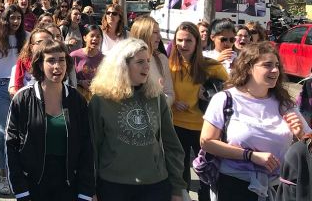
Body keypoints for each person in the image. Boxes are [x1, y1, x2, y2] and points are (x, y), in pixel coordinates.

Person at [200, 42, 309, 201]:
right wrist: (250, 156)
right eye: (267, 65)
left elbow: (309, 143)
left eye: (277, 65)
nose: (275, 70)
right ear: (249, 67)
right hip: (234, 187)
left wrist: (300, 135)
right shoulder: (225, 99)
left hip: (277, 189)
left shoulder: (285, 104)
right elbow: (207, 142)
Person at [89, 38, 186, 201]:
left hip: (155, 185)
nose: (147, 67)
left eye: (148, 61)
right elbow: (92, 148)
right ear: (123, 65)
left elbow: (172, 145)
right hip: (113, 186)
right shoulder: (100, 100)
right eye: (140, 62)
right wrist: (90, 188)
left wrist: (177, 187)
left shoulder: (156, 97)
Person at [6, 40, 94, 200]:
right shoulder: (23, 98)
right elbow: (11, 145)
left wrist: (85, 191)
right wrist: (20, 190)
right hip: (33, 184)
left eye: (61, 60)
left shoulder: (77, 100)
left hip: (68, 184)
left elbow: (87, 146)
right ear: (40, 64)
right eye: (51, 60)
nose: (57, 66)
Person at [169, 22, 228, 201]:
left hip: (204, 128)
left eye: (188, 40)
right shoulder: (168, 65)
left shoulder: (211, 66)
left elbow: (230, 92)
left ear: (197, 42)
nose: (183, 45)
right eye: (179, 40)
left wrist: (210, 96)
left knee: (206, 175)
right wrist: (173, 102)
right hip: (175, 125)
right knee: (180, 175)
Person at [0, 5, 29, 195]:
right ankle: (3, 175)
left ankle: (19, 172)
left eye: (19, 18)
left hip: (22, 86)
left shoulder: (26, 37)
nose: (16, 21)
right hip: (1, 87)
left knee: (23, 132)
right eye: (12, 18)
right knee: (3, 132)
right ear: (6, 19)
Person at [130, 16, 175, 105]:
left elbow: (170, 94)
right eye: (155, 32)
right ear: (143, 34)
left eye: (159, 32)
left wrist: (159, 102)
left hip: (155, 116)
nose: (160, 36)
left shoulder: (162, 59)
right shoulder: (127, 60)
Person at [9, 28, 52, 95]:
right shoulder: (18, 67)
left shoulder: (59, 65)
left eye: (48, 42)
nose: (44, 45)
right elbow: (13, 92)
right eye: (40, 42)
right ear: (31, 47)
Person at [71, 24, 104, 101]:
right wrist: (80, 82)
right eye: (92, 36)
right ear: (85, 38)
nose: (95, 39)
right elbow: (67, 78)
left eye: (98, 36)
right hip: (78, 98)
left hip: (97, 98)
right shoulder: (74, 56)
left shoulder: (104, 59)